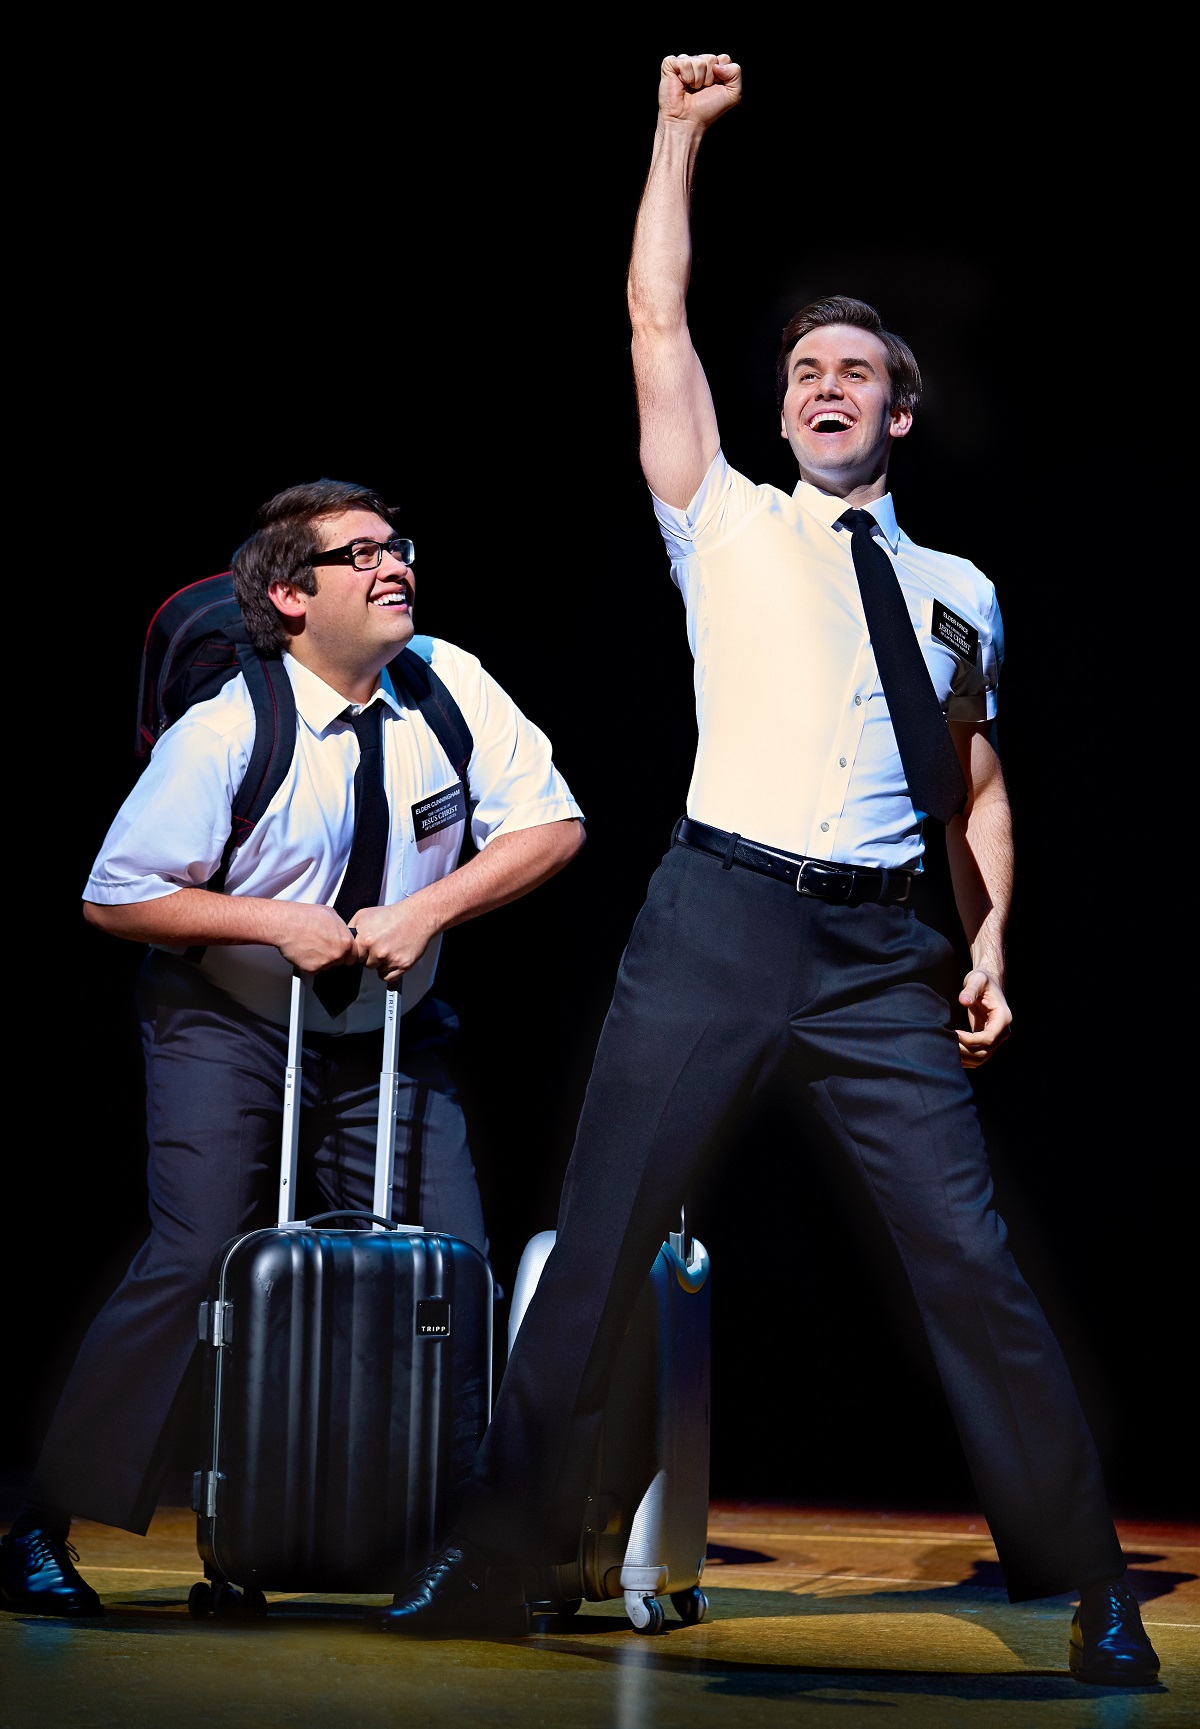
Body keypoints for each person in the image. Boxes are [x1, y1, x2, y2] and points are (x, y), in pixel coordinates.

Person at [365, 55, 1160, 1688]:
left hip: (880, 957)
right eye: (804, 368)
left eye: (856, 370)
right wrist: (674, 136)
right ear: (784, 408)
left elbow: (973, 779)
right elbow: (654, 317)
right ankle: (498, 1552)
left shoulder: (961, 589)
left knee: (975, 1265)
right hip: (717, 919)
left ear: (900, 412)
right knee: (599, 1243)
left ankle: (1090, 1581)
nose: (824, 385)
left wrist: (989, 937)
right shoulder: (720, 521)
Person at [0, 477, 585, 1618]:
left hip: (388, 1035)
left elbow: (554, 825)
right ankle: (40, 1521)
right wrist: (275, 921)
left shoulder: (448, 685)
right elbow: (115, 894)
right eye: (359, 554)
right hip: (228, 1019)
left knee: (452, 1270)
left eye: (397, 546)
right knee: (199, 1253)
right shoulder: (230, 727)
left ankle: (465, 1544)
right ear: (289, 595)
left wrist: (428, 910)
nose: (393, 564)